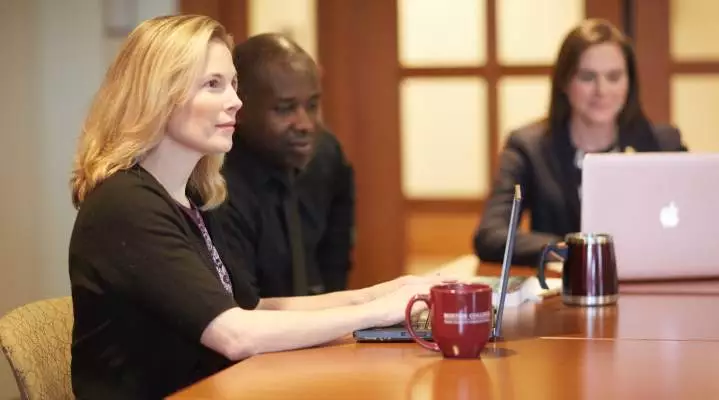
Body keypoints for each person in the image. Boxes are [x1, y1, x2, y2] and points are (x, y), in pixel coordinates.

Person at [68, 15, 440, 399]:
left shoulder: (193, 197)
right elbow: (235, 334)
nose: (235, 101)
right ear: (158, 95)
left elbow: (256, 309)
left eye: (233, 84)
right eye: (213, 85)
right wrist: (379, 312)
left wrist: (386, 293)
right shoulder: (125, 206)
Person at [473, 18, 688, 267]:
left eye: (614, 77)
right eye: (587, 77)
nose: (602, 90)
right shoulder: (528, 147)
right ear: (564, 82)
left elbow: (697, 222)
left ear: (629, 82)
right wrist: (566, 250)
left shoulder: (664, 144)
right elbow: (490, 234)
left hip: (655, 282)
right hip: (567, 295)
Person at [215, 33, 353, 297]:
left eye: (312, 105)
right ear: (239, 108)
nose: (306, 124)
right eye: (284, 109)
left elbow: (336, 259)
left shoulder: (327, 155)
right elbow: (241, 305)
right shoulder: (217, 182)